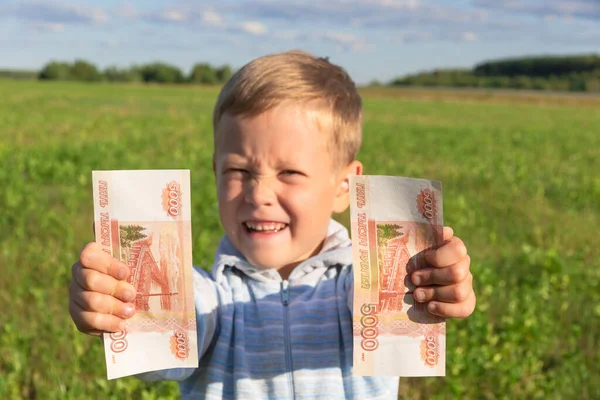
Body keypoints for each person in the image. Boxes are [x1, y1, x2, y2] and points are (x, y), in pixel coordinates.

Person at [69, 50, 476, 400]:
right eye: (238, 169)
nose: (258, 193)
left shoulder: (363, 288)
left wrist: (436, 283)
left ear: (344, 187)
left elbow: (404, 308)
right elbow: (159, 356)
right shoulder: (208, 297)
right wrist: (117, 305)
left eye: (290, 173)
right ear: (215, 172)